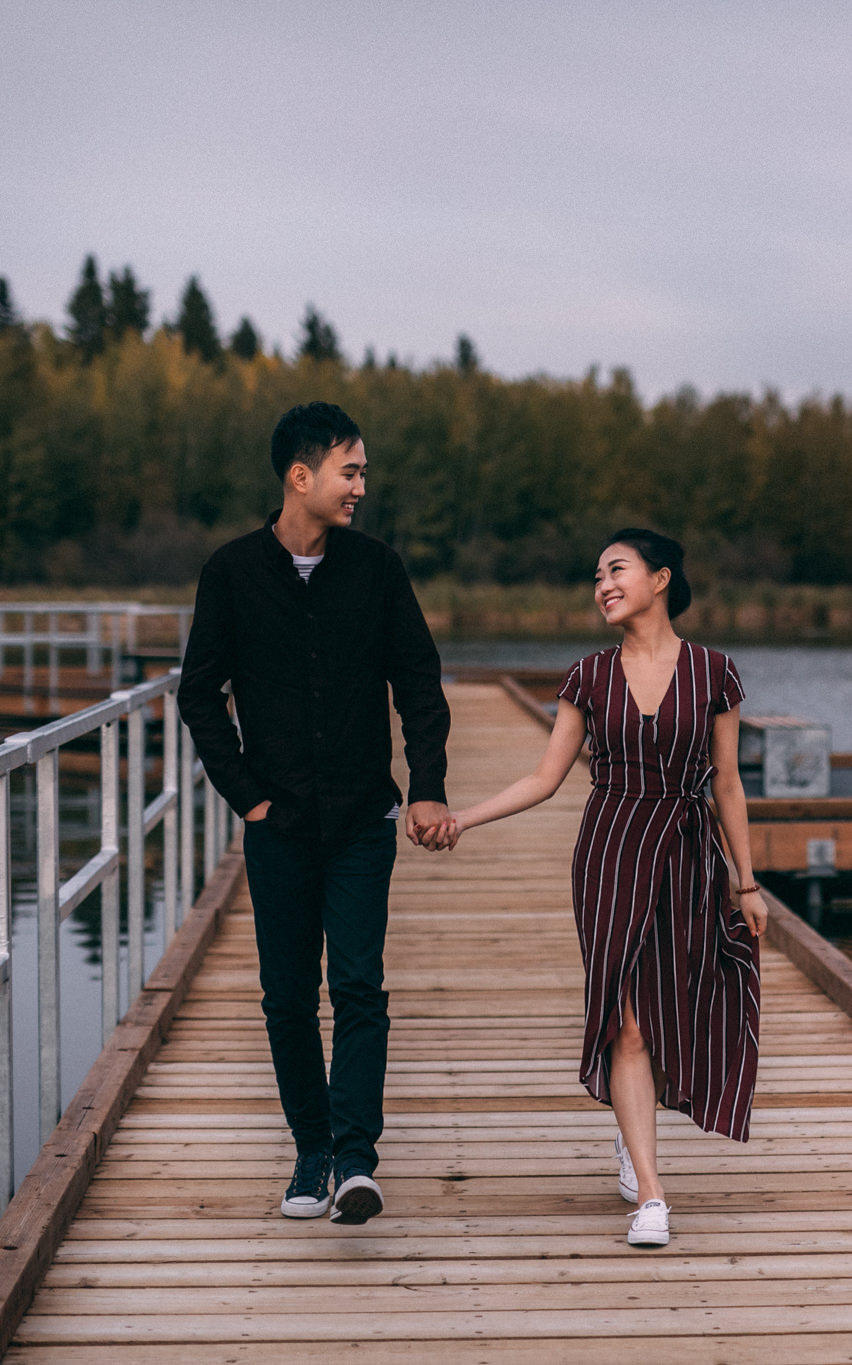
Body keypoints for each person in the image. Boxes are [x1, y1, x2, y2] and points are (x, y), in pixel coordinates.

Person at [440, 528, 766, 1248]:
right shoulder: (587, 674)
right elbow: (543, 778)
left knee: (668, 1010)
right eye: (596, 576)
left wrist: (747, 881)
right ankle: (651, 1195)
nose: (603, 585)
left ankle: (633, 1127)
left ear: (660, 579)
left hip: (686, 855)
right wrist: (464, 817)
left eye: (616, 570)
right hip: (611, 853)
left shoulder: (715, 671)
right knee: (627, 1022)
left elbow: (730, 783)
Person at [177, 401, 453, 1226]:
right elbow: (198, 695)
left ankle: (357, 1158)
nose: (362, 485)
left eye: (362, 471)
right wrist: (247, 795)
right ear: (300, 476)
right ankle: (312, 1149)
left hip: (366, 818)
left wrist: (428, 783)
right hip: (281, 825)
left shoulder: (377, 568)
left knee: (360, 984)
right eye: (351, 469)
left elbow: (421, 683)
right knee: (288, 994)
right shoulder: (230, 572)